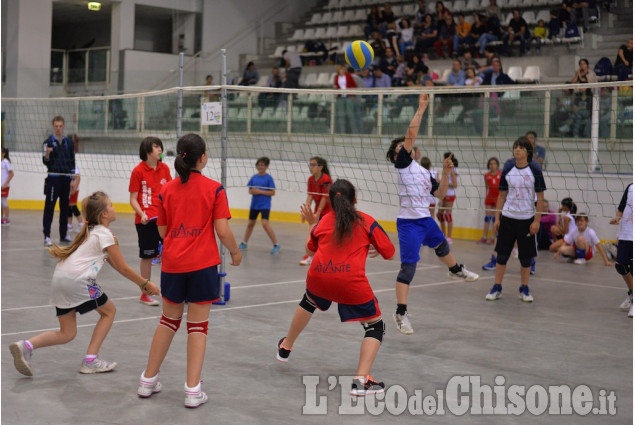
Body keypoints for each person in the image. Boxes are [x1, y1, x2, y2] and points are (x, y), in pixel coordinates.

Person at [138, 133, 242, 408]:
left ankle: (148, 381)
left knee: (168, 321)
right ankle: (192, 390)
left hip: (173, 264)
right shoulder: (215, 189)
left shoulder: (167, 190)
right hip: (203, 265)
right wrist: (234, 251)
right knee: (197, 326)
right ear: (203, 157)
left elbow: (162, 231)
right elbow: (222, 229)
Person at [9, 191, 160, 377]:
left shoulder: (90, 232)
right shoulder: (105, 234)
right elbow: (122, 267)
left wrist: (142, 284)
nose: (114, 208)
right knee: (109, 311)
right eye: (111, 205)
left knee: (67, 333)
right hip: (78, 281)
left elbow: (115, 265)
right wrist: (145, 284)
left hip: (59, 279)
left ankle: (26, 345)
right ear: (104, 214)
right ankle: (90, 360)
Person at [276, 179, 395, 396]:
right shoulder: (367, 221)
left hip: (319, 277)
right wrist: (375, 245)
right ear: (355, 200)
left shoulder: (323, 221)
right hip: (350, 282)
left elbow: (310, 250)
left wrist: (312, 224)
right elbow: (390, 252)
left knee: (309, 301)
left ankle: (286, 346)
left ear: (331, 202)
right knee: (375, 325)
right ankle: (361, 381)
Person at [386, 94, 478, 335]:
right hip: (408, 223)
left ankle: (454, 269)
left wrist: (446, 172)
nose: (405, 147)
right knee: (408, 269)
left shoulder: (423, 171)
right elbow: (411, 135)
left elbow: (441, 195)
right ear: (398, 155)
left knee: (442, 247)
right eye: (401, 148)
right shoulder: (402, 164)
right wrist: (421, 108)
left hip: (425, 220)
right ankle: (401, 312)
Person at [485, 137, 546, 302]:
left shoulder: (535, 169)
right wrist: (497, 217)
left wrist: (536, 221)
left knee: (526, 258)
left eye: (520, 147)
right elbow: (502, 195)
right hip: (508, 217)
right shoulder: (508, 167)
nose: (517, 149)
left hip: (526, 219)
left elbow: (540, 198)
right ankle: (497, 286)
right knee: (502, 256)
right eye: (515, 147)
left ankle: (524, 288)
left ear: (527, 151)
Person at [129, 137, 172, 306]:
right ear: (147, 151)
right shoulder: (138, 171)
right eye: (156, 147)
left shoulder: (165, 168)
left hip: (163, 219)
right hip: (145, 221)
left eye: (160, 147)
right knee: (147, 256)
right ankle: (145, 293)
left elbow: (170, 192)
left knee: (169, 253)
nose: (160, 150)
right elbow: (133, 199)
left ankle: (171, 291)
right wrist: (142, 214)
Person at [42, 116, 75, 247]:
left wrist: (72, 179)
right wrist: (48, 154)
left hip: (66, 179)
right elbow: (45, 162)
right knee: (49, 207)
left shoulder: (68, 142)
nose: (58, 129)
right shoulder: (47, 142)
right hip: (53, 178)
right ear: (53, 126)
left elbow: (72, 161)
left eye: (60, 126)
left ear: (64, 126)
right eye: (56, 126)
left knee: (65, 208)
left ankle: (64, 234)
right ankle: (47, 236)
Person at [238, 157, 280, 254]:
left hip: (265, 205)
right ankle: (244, 242)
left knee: (265, 224)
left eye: (262, 164)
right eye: (258, 164)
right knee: (250, 224)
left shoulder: (268, 178)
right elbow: (250, 190)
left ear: (266, 167)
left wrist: (259, 191)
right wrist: (252, 191)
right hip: (254, 205)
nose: (260, 166)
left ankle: (276, 244)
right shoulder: (254, 177)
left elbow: (273, 192)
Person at [300, 157, 332, 266]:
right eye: (310, 165)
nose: (311, 167)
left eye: (313, 165)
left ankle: (317, 255)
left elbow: (324, 198)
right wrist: (306, 211)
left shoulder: (326, 179)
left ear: (320, 167)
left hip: (328, 211)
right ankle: (311, 255)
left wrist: (318, 213)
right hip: (318, 210)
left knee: (321, 234)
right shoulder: (310, 179)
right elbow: (310, 196)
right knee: (314, 233)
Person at [610, 183, 633, 318]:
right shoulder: (631, 187)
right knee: (621, 265)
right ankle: (631, 293)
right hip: (626, 232)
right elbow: (621, 208)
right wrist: (617, 218)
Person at [437, 152, 459, 243]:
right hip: (444, 194)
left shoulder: (453, 170)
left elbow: (455, 184)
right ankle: (443, 234)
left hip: (450, 194)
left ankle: (449, 237)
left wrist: (443, 183)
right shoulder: (445, 168)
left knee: (448, 214)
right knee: (440, 214)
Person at [479, 157, 501, 244]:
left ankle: (493, 237)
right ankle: (484, 236)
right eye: (491, 164)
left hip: (498, 198)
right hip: (489, 197)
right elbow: (486, 187)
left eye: (494, 164)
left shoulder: (501, 174)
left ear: (497, 165)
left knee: (495, 218)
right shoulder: (486, 175)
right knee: (487, 217)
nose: (492, 166)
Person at [334, 65, 360, 134]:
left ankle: (354, 131)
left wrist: (352, 93)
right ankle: (342, 132)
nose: (343, 71)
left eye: (343, 69)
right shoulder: (336, 77)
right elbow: (336, 86)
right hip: (340, 97)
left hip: (349, 97)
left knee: (350, 114)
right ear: (338, 70)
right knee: (341, 115)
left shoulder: (348, 76)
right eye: (341, 69)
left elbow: (354, 85)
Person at [67, 164, 82, 232]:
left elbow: (78, 177)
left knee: (73, 205)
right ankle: (69, 225)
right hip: (67, 189)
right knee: (69, 207)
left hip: (74, 189)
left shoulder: (73, 165)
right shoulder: (64, 164)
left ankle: (81, 224)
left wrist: (75, 188)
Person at [1, 147, 14, 225]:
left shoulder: (6, 162)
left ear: (3, 153)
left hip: (4, 186)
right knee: (1, 203)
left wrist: (5, 184)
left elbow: (11, 174)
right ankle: (1, 218)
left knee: (4, 202)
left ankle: (6, 219)